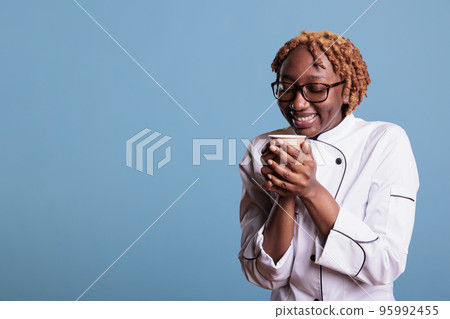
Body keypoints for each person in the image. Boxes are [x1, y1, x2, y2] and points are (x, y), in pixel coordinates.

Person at [238, 30, 419, 301]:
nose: (297, 103)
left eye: (316, 89)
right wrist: (285, 193)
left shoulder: (384, 141)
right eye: (287, 88)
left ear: (347, 91)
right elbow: (263, 274)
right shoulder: (262, 148)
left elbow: (385, 264)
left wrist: (310, 190)